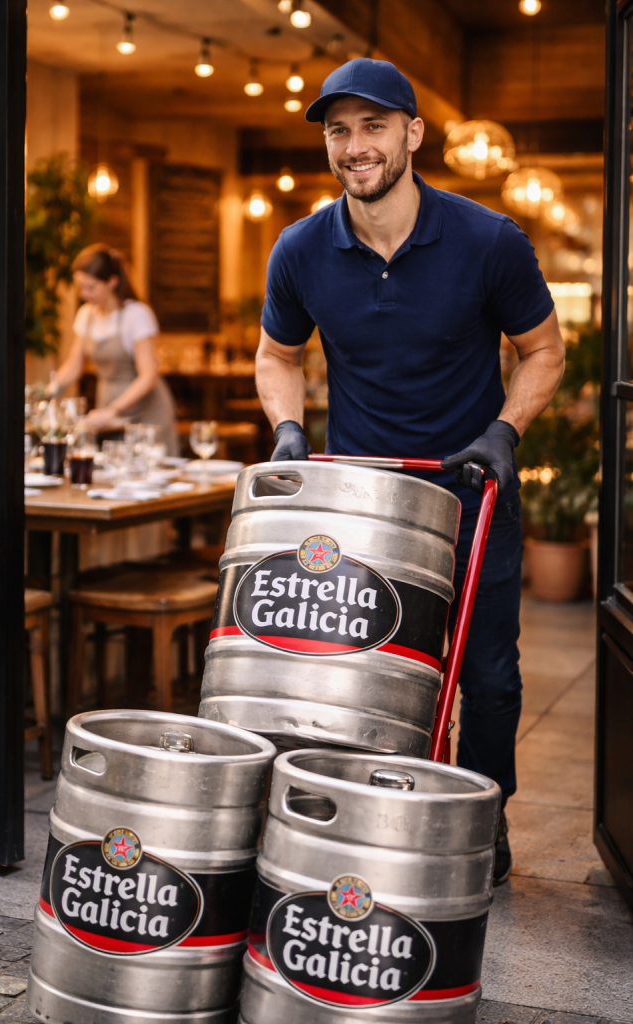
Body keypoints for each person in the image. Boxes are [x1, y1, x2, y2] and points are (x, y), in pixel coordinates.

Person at [255, 58, 565, 885]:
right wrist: (288, 429)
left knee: (488, 678)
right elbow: (276, 355)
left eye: (373, 126)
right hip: (364, 509)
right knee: (368, 675)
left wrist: (504, 430)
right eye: (338, 130)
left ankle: (480, 822)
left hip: (471, 496)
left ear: (412, 135)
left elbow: (543, 351)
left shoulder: (487, 240)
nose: (355, 147)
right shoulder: (300, 249)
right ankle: (373, 818)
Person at [46, 244, 177, 454]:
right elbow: (74, 363)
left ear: (112, 282)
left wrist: (113, 409)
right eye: (80, 287)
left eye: (91, 287)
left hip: (145, 414)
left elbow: (149, 376)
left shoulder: (136, 315)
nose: (84, 294)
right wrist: (51, 390)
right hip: (108, 409)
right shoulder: (86, 315)